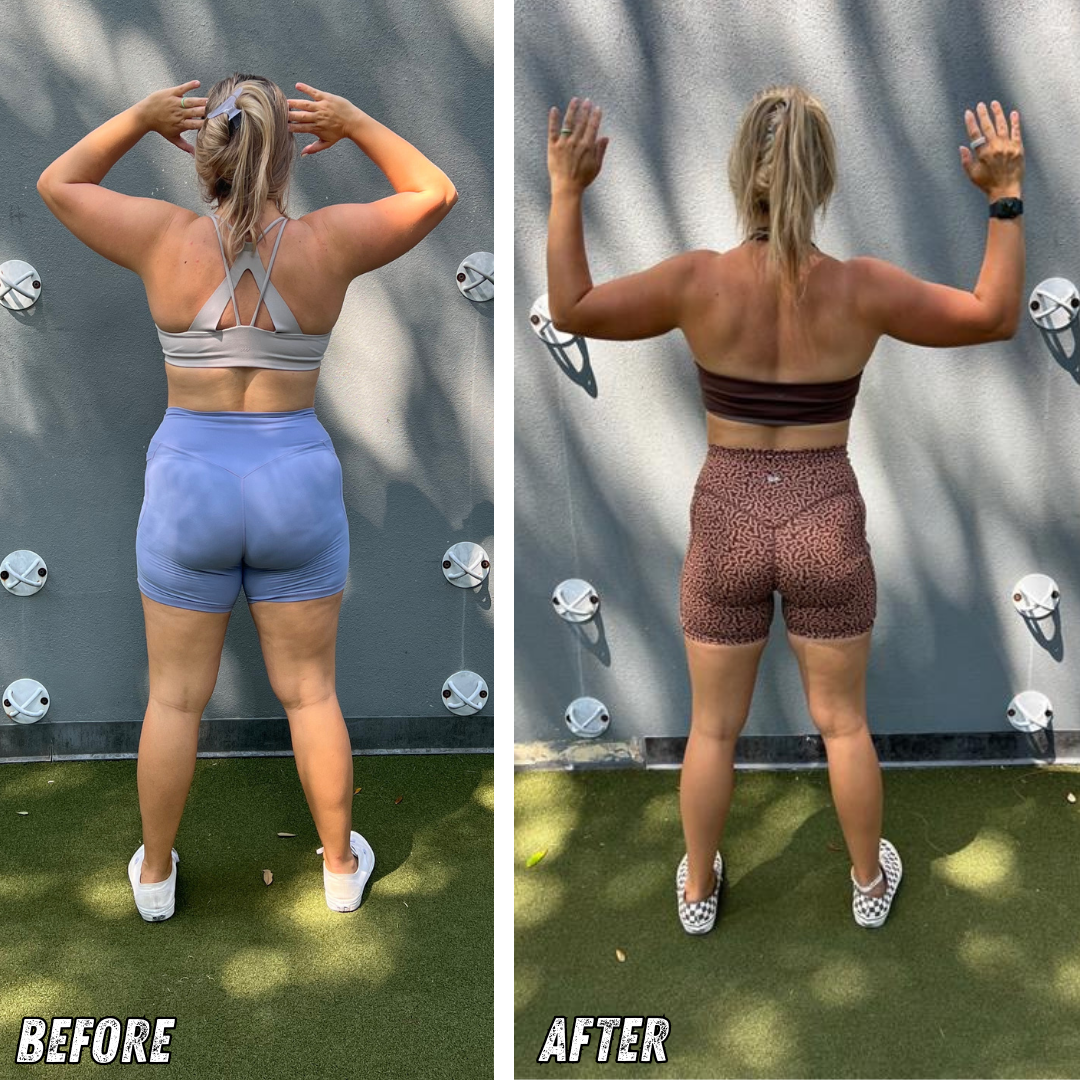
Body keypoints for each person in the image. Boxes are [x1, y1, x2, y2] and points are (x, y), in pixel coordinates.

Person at [544, 86, 1024, 932]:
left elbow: (572, 308)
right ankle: (868, 884)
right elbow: (992, 317)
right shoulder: (862, 288)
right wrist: (1003, 197)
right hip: (823, 509)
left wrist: (568, 190)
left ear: (743, 177)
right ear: (825, 177)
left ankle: (697, 890)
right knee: (843, 725)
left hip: (725, 508)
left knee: (713, 731)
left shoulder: (697, 280)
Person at [37, 73, 457, 921]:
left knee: (173, 699)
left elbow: (59, 183)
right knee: (311, 695)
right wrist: (358, 118)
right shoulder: (329, 242)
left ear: (204, 152)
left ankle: (155, 877)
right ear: (290, 156)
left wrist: (139, 117)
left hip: (190, 483)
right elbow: (435, 191)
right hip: (292, 482)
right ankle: (341, 867)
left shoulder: (162, 236)